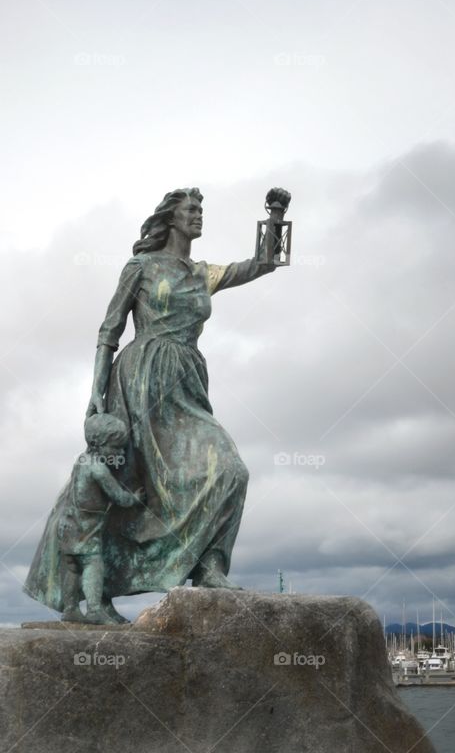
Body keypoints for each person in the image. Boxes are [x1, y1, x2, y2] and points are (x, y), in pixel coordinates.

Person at [25, 187, 284, 611]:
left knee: (230, 469)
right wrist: (95, 391)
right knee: (124, 478)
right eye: (191, 210)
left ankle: (209, 567)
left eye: (201, 209)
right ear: (171, 217)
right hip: (139, 379)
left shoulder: (204, 273)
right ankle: (91, 597)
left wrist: (275, 216)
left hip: (186, 381)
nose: (199, 216)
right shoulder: (141, 266)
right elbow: (109, 331)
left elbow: (263, 264)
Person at [59, 414, 140, 624]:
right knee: (93, 563)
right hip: (87, 528)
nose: (120, 453)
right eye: (116, 448)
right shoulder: (98, 468)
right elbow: (119, 497)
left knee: (71, 565)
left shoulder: (81, 461)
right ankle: (94, 609)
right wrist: (135, 498)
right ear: (97, 444)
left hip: (67, 525)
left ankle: (70, 608)